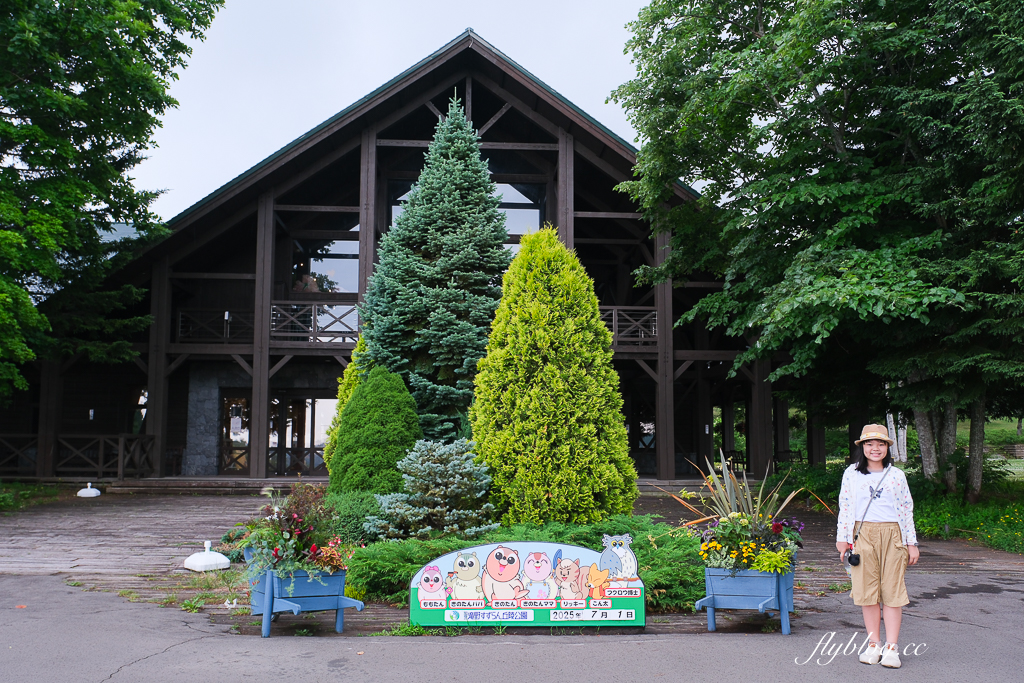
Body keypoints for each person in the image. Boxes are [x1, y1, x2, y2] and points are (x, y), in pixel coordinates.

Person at [836, 424, 920, 668]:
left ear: (887, 448)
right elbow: (845, 506)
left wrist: (911, 543)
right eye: (870, 444)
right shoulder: (851, 473)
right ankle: (874, 645)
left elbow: (906, 510)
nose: (875, 448)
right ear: (862, 447)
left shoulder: (897, 475)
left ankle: (892, 648)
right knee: (867, 592)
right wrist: (843, 538)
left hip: (893, 534)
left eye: (881, 444)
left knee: (893, 591)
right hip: (862, 534)